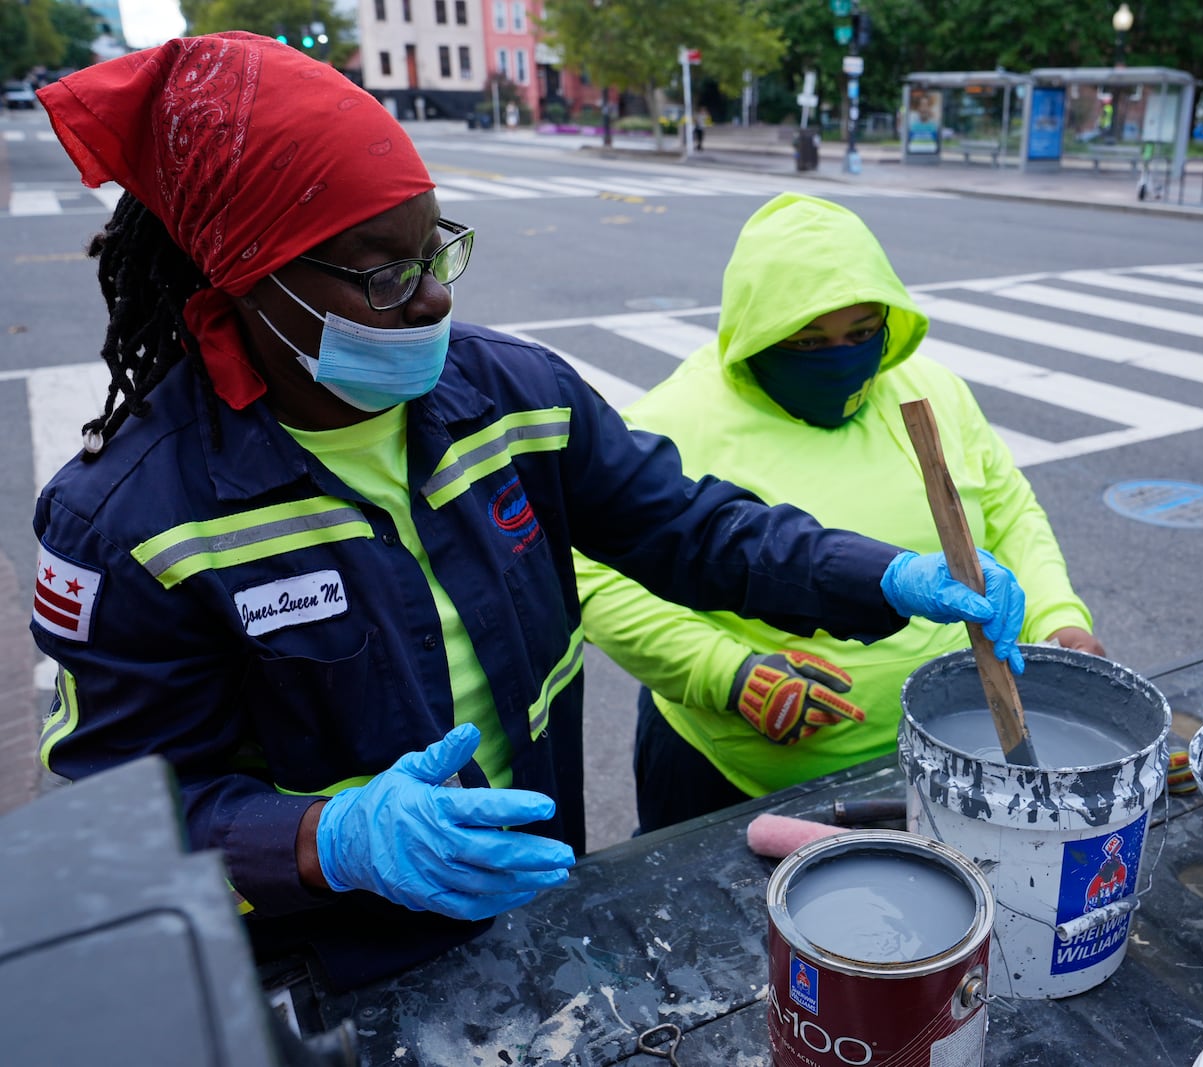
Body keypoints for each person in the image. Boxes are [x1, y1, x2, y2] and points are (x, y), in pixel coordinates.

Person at [28, 34, 1027, 991]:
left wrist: (883, 574)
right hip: (327, 965)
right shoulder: (130, 522)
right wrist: (328, 839)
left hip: (536, 894)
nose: (430, 302)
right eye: (384, 272)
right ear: (250, 278)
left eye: (436, 251)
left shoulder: (515, 397)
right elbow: (129, 822)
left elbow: (691, 528)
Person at [574, 193, 1105, 834]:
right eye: (806, 342)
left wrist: (1058, 618)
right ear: (757, 336)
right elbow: (595, 573)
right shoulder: (671, 423)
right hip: (731, 778)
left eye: (861, 334)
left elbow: (1007, 507)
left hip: (927, 755)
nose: (841, 357)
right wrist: (725, 673)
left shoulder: (931, 391)